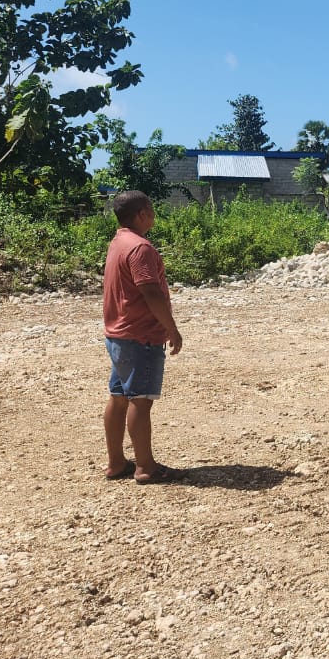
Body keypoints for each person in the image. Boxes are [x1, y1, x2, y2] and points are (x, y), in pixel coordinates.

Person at [102, 190, 185, 483]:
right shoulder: (141, 248)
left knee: (119, 396)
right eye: (150, 210)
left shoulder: (117, 242)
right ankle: (145, 467)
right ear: (141, 214)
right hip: (141, 336)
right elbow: (150, 291)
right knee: (140, 400)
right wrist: (171, 328)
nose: (153, 215)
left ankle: (116, 463)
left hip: (117, 335)